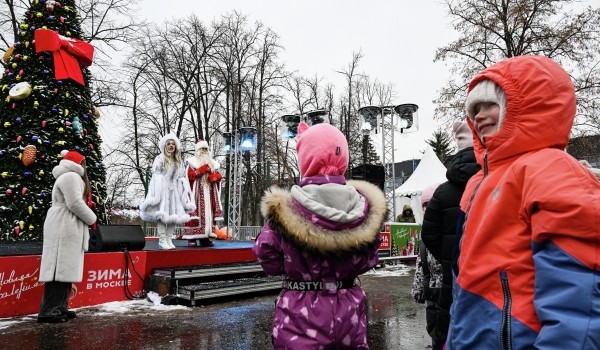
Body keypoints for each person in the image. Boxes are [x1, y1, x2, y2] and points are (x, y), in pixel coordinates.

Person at [447, 55, 600, 349]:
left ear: (528, 106)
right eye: (474, 109)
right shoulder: (479, 181)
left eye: (490, 105)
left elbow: (579, 299)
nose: (478, 116)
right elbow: (463, 282)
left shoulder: (550, 168)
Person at [253, 121, 386, 349]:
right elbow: (370, 258)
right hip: (348, 314)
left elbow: (268, 258)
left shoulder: (285, 210)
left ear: (306, 159)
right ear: (343, 158)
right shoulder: (364, 210)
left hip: (300, 316)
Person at [420, 119, 480, 350]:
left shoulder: (442, 192)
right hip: (498, 282)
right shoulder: (501, 181)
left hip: (453, 278)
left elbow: (429, 234)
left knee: (447, 331)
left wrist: (450, 257)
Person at [38, 151, 97, 323]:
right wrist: (92, 218)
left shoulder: (67, 176)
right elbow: (74, 202)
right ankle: (49, 310)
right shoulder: (71, 176)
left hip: (66, 224)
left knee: (65, 268)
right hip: (64, 225)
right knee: (59, 269)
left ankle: (59, 307)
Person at [139, 133, 196, 250]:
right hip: (162, 191)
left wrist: (183, 190)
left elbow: (181, 176)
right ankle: (162, 240)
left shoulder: (178, 160)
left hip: (174, 192)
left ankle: (169, 238)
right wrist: (159, 190)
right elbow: (156, 175)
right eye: (169, 144)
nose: (171, 146)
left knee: (173, 216)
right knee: (161, 216)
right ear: (165, 146)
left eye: (173, 144)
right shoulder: (159, 158)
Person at [411, 183, 443, 349]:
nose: (427, 208)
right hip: (431, 292)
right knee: (434, 331)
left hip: (447, 290)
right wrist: (418, 288)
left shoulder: (447, 227)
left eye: (431, 204)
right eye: (424, 205)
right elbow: (420, 262)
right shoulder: (425, 232)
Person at [181, 139, 223, 247]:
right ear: (197, 150)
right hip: (196, 194)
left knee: (209, 215)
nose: (204, 151)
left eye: (206, 149)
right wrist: (202, 170)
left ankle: (206, 237)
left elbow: (218, 176)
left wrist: (215, 177)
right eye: (202, 149)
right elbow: (190, 176)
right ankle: (192, 237)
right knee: (196, 214)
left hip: (209, 193)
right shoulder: (191, 162)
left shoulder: (213, 164)